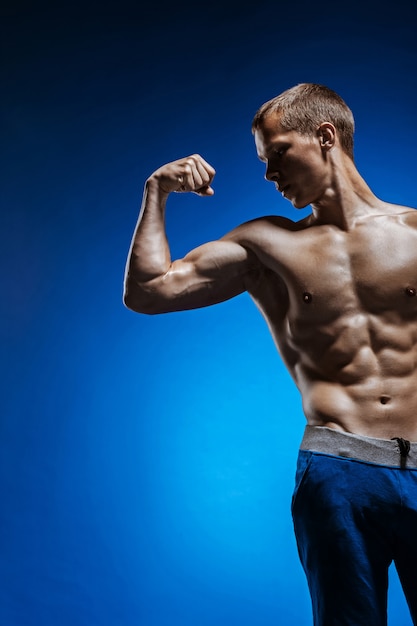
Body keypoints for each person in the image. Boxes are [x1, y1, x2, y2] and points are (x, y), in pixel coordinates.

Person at [123, 83, 417, 625]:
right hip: (339, 468)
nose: (268, 174)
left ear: (325, 136)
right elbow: (146, 292)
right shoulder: (266, 246)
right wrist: (155, 192)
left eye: (277, 152)